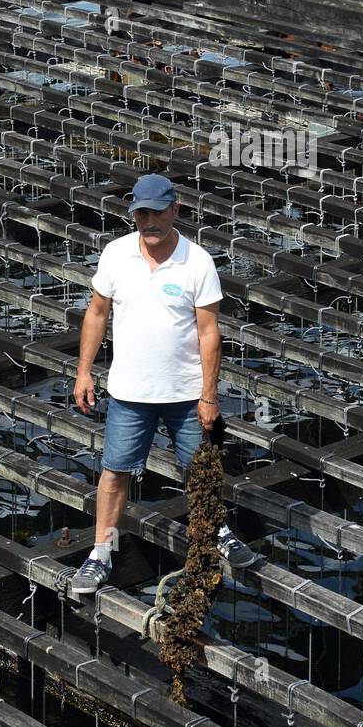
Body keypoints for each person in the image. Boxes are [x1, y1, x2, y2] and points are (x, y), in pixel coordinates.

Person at [69, 173, 255, 596]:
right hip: (129, 393)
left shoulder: (198, 262)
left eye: (156, 212)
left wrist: (209, 396)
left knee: (201, 470)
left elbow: (210, 332)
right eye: (141, 213)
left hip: (186, 394)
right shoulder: (116, 255)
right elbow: (96, 313)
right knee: (114, 473)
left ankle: (218, 533)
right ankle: (102, 552)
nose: (149, 221)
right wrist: (84, 372)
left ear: (176, 209)